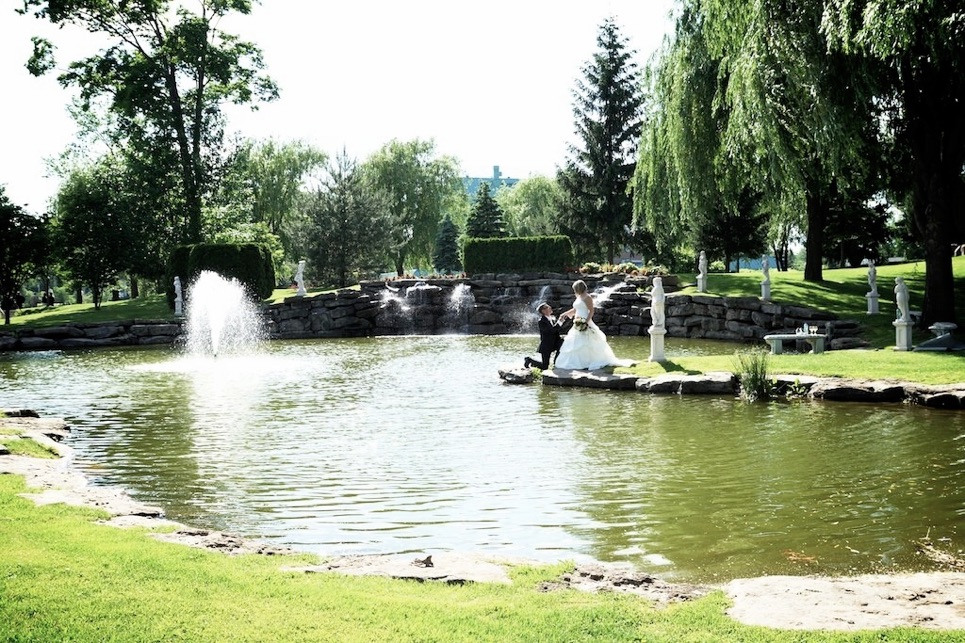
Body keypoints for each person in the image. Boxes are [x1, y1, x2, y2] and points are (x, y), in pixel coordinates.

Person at [554, 280, 635, 370]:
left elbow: (591, 311)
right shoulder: (579, 297)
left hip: (585, 320)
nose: (574, 291)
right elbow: (575, 309)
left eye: (575, 289)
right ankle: (577, 362)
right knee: (575, 343)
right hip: (577, 321)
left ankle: (588, 361)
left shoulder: (587, 297)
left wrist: (586, 322)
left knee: (588, 342)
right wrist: (564, 314)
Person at [524, 302, 565, 370]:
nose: (550, 308)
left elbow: (557, 330)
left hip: (555, 343)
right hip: (546, 345)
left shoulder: (553, 318)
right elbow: (551, 331)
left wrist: (561, 322)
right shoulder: (541, 321)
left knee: (562, 344)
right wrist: (560, 322)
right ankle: (530, 360)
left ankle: (556, 363)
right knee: (545, 366)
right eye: (548, 307)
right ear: (543, 311)